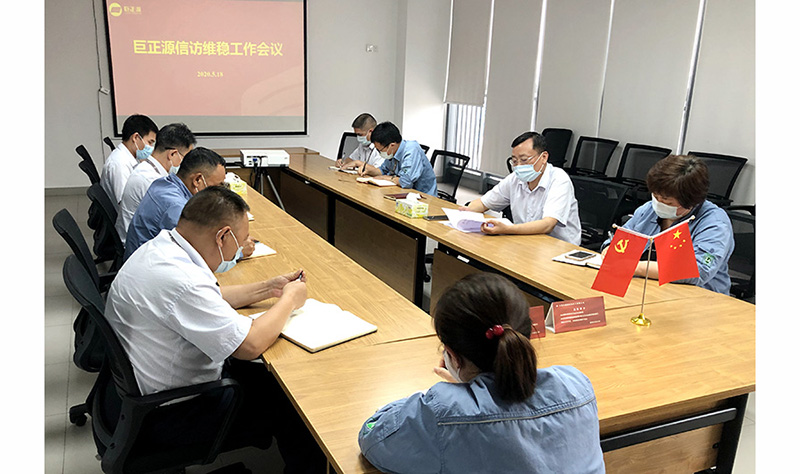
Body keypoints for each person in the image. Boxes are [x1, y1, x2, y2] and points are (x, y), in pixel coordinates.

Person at [105, 186, 327, 473]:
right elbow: (250, 345)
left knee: (265, 376)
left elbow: (211, 296)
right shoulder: (182, 280)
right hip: (171, 414)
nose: (242, 248)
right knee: (296, 403)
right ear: (222, 237)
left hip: (137, 398)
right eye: (242, 241)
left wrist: (268, 288)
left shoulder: (163, 249)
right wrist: (289, 301)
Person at [358, 272, 605, 473]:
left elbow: (373, 435)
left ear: (452, 356)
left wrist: (452, 392)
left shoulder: (444, 410)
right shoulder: (576, 384)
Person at [601, 154, 734, 295]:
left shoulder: (715, 223)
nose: (659, 203)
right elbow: (621, 239)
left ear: (691, 202)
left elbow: (698, 270)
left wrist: (637, 267)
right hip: (646, 288)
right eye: (655, 196)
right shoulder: (649, 210)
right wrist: (610, 249)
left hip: (697, 297)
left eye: (667, 202)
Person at [461, 131, 582, 244]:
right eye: (514, 161)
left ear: (544, 157)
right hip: (525, 239)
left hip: (559, 247)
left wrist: (508, 229)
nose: (518, 166)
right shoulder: (515, 178)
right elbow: (484, 203)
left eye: (524, 160)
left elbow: (547, 225)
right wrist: (465, 212)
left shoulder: (559, 179)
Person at [124, 147, 234, 259]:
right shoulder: (176, 206)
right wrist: (236, 252)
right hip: (148, 264)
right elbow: (200, 251)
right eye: (217, 186)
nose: (219, 192)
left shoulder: (165, 183)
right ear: (197, 180)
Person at [116, 123, 196, 244]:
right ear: (173, 154)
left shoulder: (147, 168)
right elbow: (177, 220)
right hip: (138, 245)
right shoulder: (150, 180)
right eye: (186, 159)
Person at [343, 121, 437, 196]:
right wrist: (369, 170)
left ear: (391, 145)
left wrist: (389, 178)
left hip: (424, 198)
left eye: (380, 150)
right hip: (403, 194)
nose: (380, 153)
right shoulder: (393, 152)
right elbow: (383, 170)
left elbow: (406, 182)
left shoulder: (411, 150)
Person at [100, 114, 158, 213]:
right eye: (150, 142)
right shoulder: (119, 165)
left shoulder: (130, 156)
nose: (151, 147)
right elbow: (125, 204)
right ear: (136, 137)